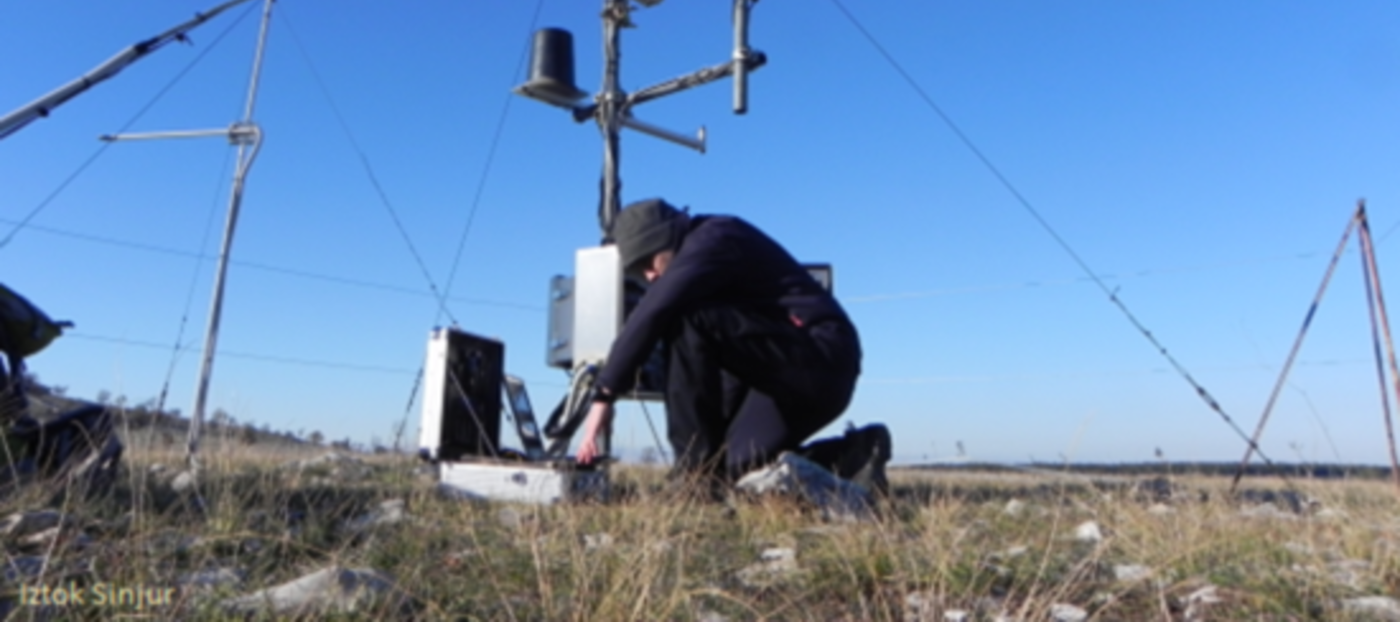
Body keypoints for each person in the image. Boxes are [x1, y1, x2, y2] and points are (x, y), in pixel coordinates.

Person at [575, 198, 885, 491]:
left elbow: (656, 309)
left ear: (668, 238)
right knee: (732, 470)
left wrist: (605, 394)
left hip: (822, 358)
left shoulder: (715, 237)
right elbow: (733, 360)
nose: (650, 276)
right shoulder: (707, 282)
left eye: (648, 262)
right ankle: (854, 453)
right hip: (774, 375)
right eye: (638, 273)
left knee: (683, 315)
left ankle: (693, 479)